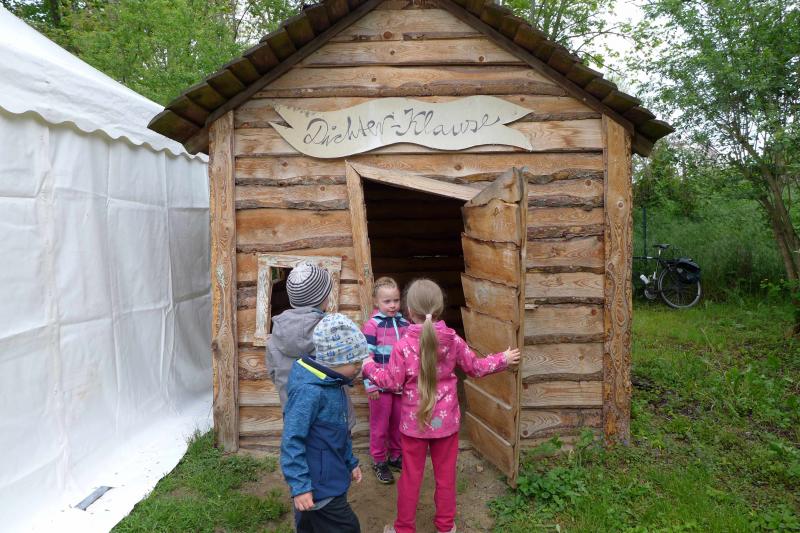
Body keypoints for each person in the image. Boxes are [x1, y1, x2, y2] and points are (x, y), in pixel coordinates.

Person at [362, 279, 521, 533]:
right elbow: (475, 367)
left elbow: (391, 382)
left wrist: (368, 365)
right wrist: (503, 358)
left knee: (410, 478)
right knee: (446, 477)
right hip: (445, 424)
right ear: (439, 309)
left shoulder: (403, 346)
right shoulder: (452, 340)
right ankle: (445, 527)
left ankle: (403, 528)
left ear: (409, 311)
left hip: (413, 425)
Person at [280, 313, 370, 533]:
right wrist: (300, 487)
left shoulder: (333, 382)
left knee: (310, 526)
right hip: (319, 486)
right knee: (348, 528)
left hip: (329, 475)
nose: (359, 368)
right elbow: (292, 439)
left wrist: (350, 462)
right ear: (336, 360)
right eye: (355, 362)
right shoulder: (309, 392)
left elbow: (339, 431)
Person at [265, 262, 356, 430]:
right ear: (324, 298)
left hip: (296, 418)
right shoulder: (332, 330)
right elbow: (348, 372)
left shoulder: (274, 337)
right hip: (333, 419)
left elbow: (273, 374)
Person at [362, 277, 409, 484]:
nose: (392, 305)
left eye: (396, 300)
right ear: (376, 302)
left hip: (400, 385)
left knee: (399, 422)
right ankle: (379, 460)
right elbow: (366, 356)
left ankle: (396, 456)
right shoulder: (372, 326)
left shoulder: (405, 324)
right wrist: (370, 384)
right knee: (380, 425)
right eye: (387, 301)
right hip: (380, 386)